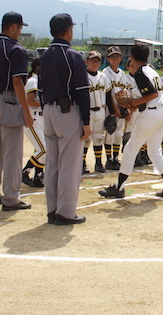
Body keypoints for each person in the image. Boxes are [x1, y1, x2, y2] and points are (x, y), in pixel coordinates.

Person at [99, 44, 163, 199]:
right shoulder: (151, 71)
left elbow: (151, 95)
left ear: (133, 58)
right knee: (154, 152)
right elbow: (152, 95)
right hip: (160, 114)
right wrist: (133, 106)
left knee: (130, 149)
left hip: (150, 116)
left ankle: (119, 187)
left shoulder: (140, 73)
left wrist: (132, 103)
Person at [40, 13, 91, 225]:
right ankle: (66, 212)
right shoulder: (73, 56)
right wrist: (86, 122)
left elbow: (41, 88)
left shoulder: (44, 55)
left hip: (49, 110)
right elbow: (82, 91)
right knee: (70, 164)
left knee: (52, 162)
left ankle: (53, 210)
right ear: (68, 30)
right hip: (67, 111)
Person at [0, 12, 33, 211]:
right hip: (9, 99)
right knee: (13, 152)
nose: (20, 32)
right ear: (13, 27)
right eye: (19, 28)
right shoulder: (16, 49)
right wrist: (26, 110)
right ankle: (11, 197)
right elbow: (17, 81)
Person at [83, 51, 110, 174]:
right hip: (87, 111)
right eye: (92, 60)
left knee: (99, 138)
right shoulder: (82, 76)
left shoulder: (103, 77)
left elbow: (109, 95)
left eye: (97, 61)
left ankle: (98, 163)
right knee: (86, 139)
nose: (95, 63)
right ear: (86, 61)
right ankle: (82, 164)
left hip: (100, 111)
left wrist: (113, 113)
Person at [102, 46, 129, 170]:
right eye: (112, 57)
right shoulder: (105, 73)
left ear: (121, 58)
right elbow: (108, 94)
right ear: (108, 59)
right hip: (109, 108)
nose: (115, 59)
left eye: (117, 56)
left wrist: (125, 108)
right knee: (110, 133)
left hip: (121, 107)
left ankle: (115, 158)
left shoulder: (122, 73)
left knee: (118, 135)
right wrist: (115, 110)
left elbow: (124, 92)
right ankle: (108, 160)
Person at [22, 58, 46, 187]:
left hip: (42, 119)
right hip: (33, 119)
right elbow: (30, 101)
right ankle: (25, 171)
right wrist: (46, 104)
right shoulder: (33, 81)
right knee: (44, 150)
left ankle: (38, 176)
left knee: (40, 149)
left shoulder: (41, 81)